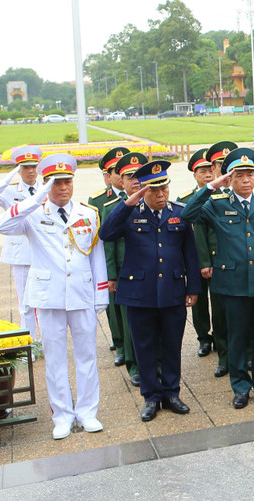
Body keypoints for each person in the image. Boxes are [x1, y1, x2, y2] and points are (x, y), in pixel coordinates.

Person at [0, 154, 108, 440]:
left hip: (81, 294)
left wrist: (100, 292)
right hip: (49, 296)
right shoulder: (32, 214)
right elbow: (1, 226)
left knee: (87, 356)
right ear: (46, 185)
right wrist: (35, 200)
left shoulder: (88, 213)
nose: (63, 188)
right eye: (56, 183)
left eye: (67, 182)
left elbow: (97, 256)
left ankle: (87, 412)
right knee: (55, 359)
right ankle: (62, 415)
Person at [181, 148, 254, 409]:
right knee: (236, 338)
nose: (246, 180)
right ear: (230, 179)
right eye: (240, 176)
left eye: (250, 175)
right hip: (232, 284)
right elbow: (187, 214)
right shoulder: (217, 204)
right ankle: (240, 387)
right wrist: (212, 186)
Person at [99, 161, 200, 421]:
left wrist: (193, 287)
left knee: (171, 344)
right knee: (143, 346)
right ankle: (151, 397)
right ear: (143, 190)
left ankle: (171, 392)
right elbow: (106, 233)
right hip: (139, 292)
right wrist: (128, 203)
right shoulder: (129, 212)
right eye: (154, 190)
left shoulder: (180, 212)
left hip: (172, 289)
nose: (160, 195)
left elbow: (191, 253)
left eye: (164, 189)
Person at [0, 145, 42, 339]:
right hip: (21, 253)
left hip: (43, 251)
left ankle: (45, 340)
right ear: (18, 169)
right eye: (25, 167)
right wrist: (5, 180)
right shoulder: (9, 191)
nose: (30, 171)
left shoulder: (45, 188)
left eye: (33, 166)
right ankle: (30, 342)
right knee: (25, 304)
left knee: (47, 302)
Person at [102, 152, 149, 386]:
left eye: (139, 175)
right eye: (130, 176)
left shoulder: (156, 203)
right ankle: (134, 365)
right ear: (122, 180)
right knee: (130, 323)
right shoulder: (114, 208)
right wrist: (111, 276)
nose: (136, 181)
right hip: (125, 272)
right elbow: (108, 244)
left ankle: (155, 365)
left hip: (151, 273)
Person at [197, 141, 238, 378]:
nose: (224, 168)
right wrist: (205, 262)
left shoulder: (244, 190)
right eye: (220, 164)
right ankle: (224, 357)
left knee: (244, 312)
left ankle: (247, 354)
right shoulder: (209, 195)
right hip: (218, 262)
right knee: (221, 313)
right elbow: (200, 231)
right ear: (213, 168)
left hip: (243, 262)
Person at [87, 146, 130, 362]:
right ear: (108, 177)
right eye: (117, 172)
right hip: (110, 262)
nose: (122, 177)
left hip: (132, 261)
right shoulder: (97, 201)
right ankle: (120, 343)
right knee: (114, 306)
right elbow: (99, 240)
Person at [177, 148, 216, 358]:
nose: (208, 174)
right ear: (194, 175)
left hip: (217, 259)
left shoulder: (222, 197)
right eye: (202, 171)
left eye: (211, 169)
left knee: (220, 302)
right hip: (194, 259)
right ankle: (203, 337)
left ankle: (220, 336)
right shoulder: (185, 199)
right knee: (199, 302)